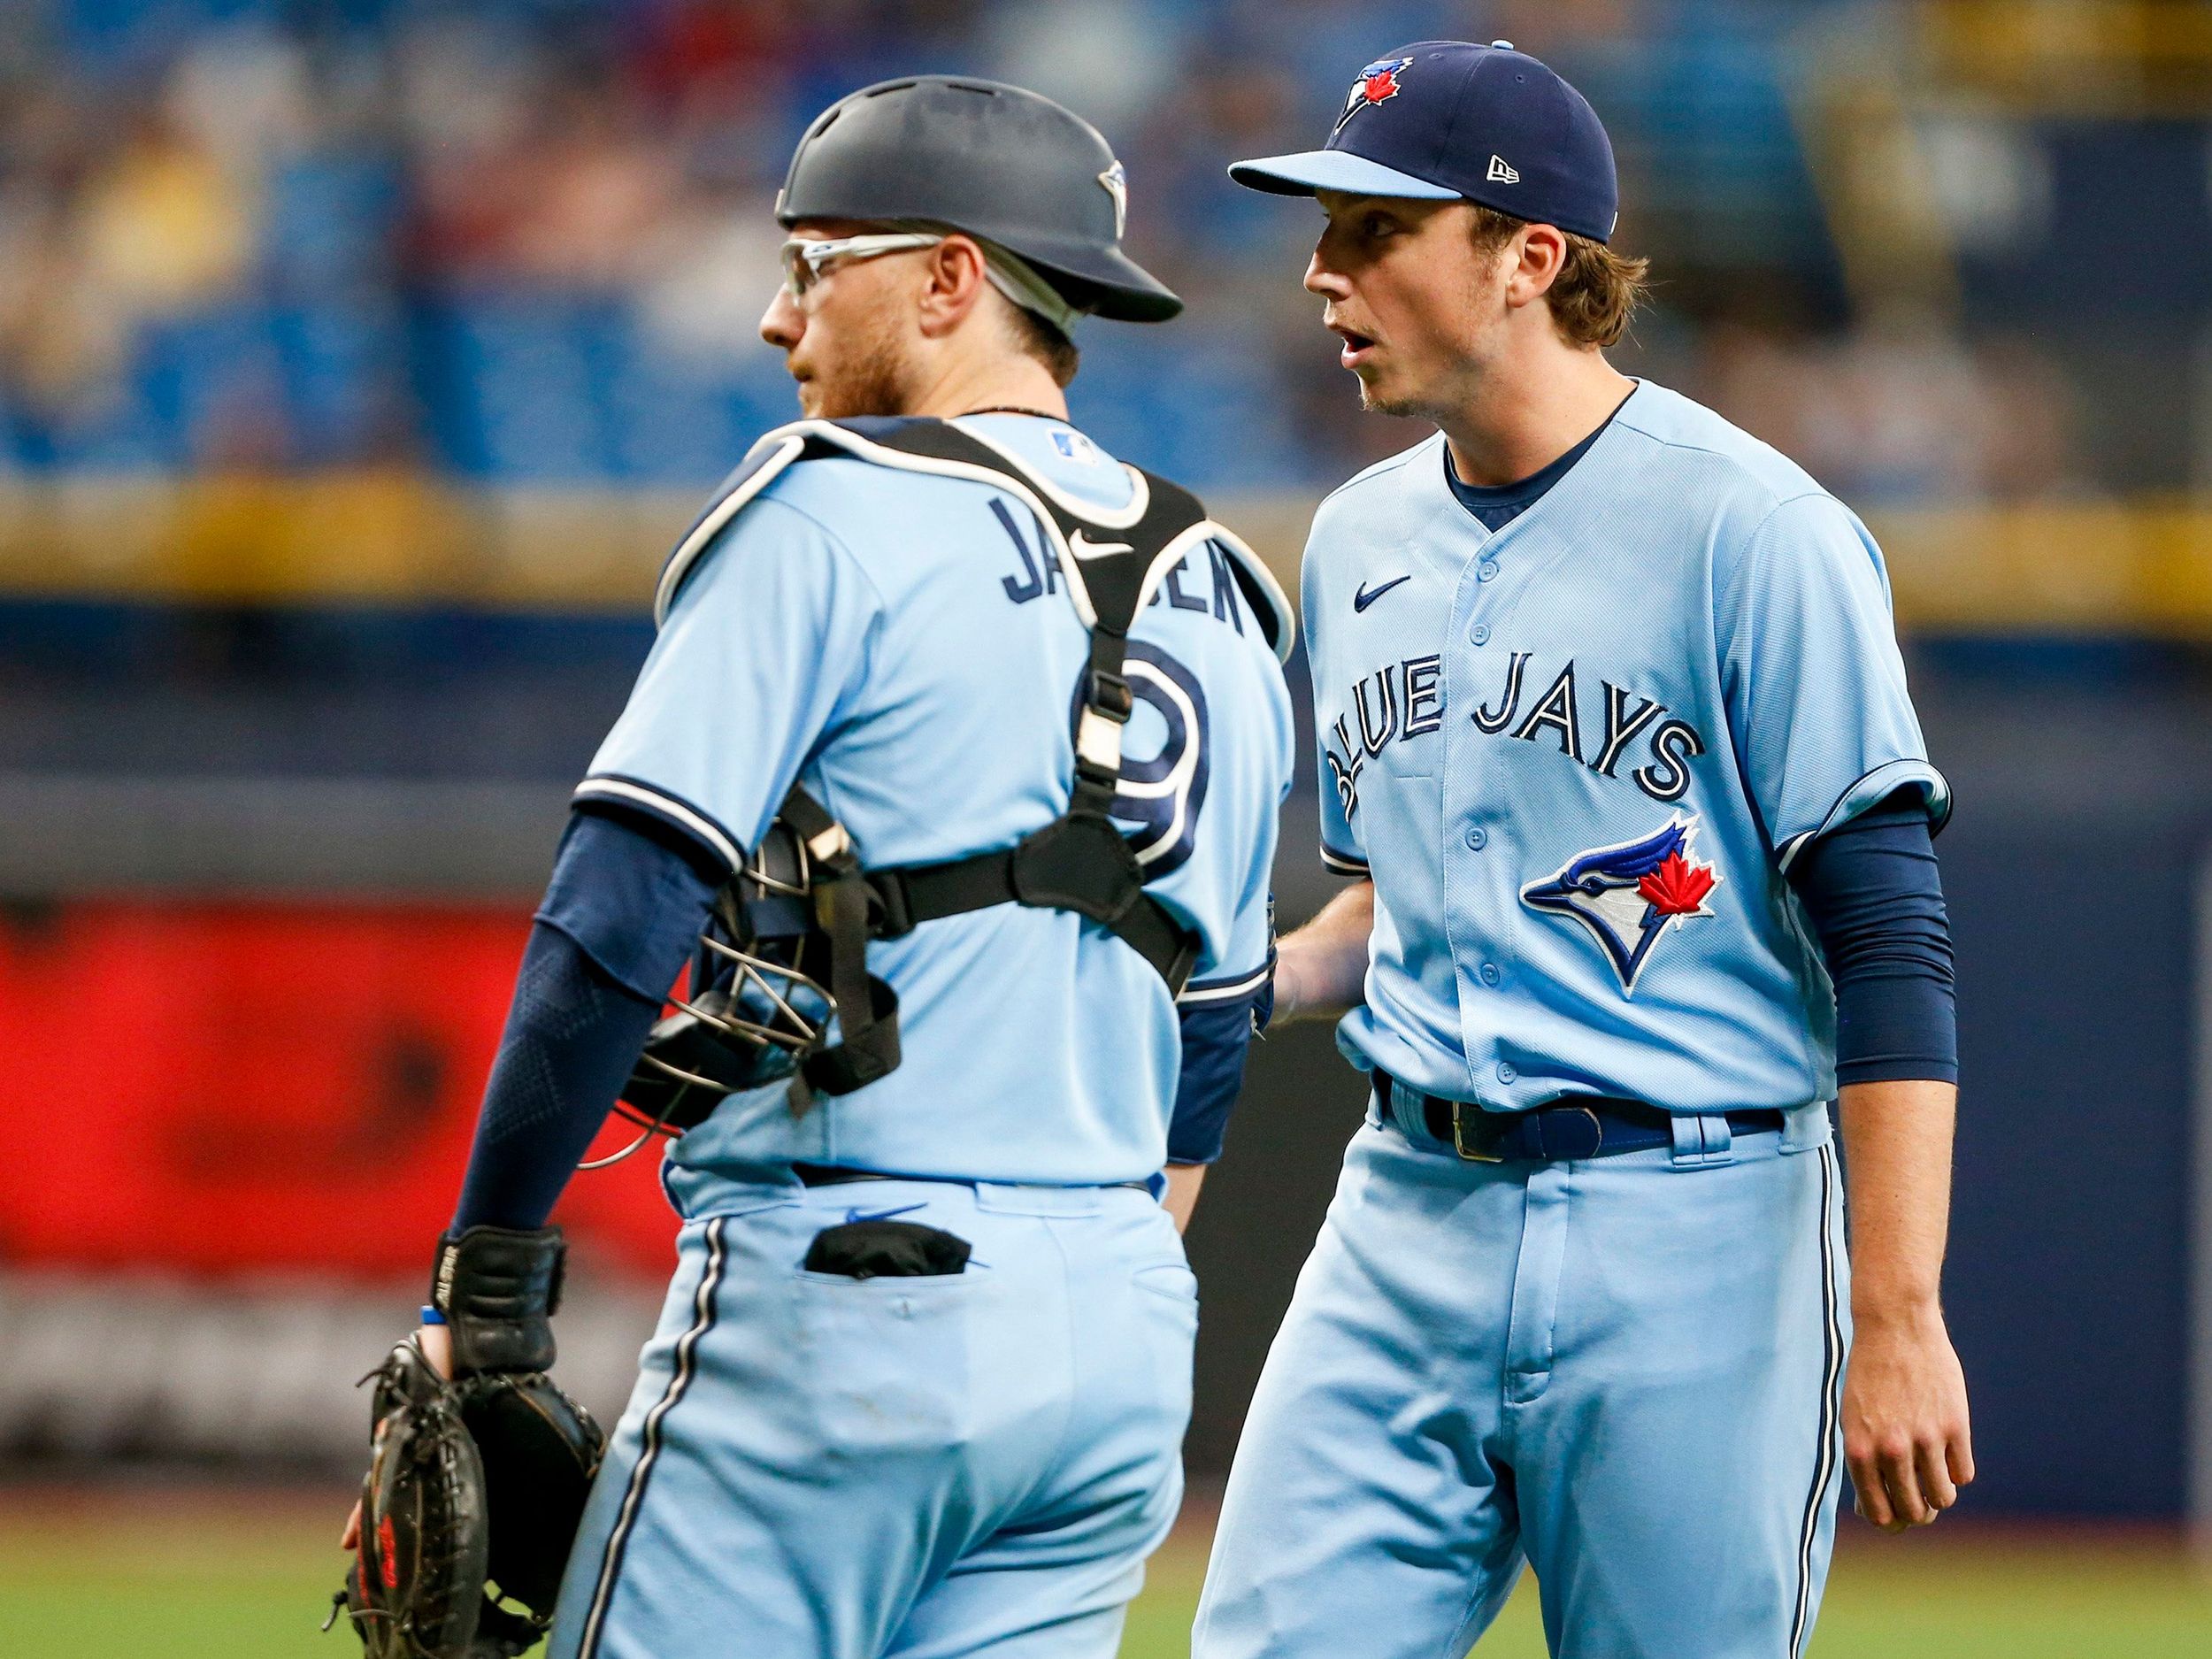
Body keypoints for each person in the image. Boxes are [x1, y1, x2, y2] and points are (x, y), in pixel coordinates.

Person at [346, 76, 1294, 1659]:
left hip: (856, 1303)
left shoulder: (825, 510)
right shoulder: (1233, 587)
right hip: (1122, 1348)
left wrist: (489, 1289)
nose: (782, 321)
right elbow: (1211, 1035)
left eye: (816, 264)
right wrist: (1090, 1274)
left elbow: (614, 918)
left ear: (949, 280)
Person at [1193, 40, 1971, 1659]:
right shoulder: (1354, 540)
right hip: (1406, 1207)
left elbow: (1888, 937)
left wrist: (1896, 1312)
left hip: (1697, 1224)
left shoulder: (1756, 530)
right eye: (1325, 232)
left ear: (1529, 256)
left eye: (1372, 233)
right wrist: (1238, 986)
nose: (1321, 273)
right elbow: (1390, 902)